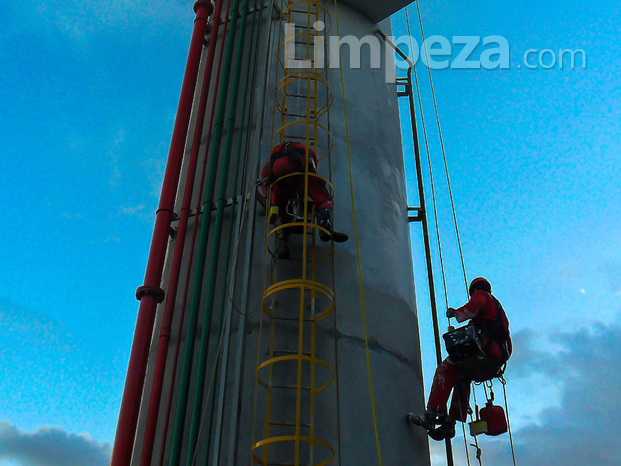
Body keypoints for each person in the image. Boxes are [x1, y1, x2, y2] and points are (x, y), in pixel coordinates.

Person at [407, 277, 512, 441]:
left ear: (475, 290)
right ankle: (450, 423)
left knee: (445, 368)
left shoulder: (482, 296)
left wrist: (456, 313)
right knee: (462, 377)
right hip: (497, 357)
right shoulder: (497, 309)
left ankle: (433, 412)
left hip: (488, 347)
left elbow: (472, 307)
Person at [260, 141, 348, 243]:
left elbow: (265, 172)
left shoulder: (275, 154)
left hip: (279, 171)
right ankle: (324, 227)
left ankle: (284, 239)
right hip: (299, 167)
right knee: (323, 198)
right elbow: (312, 168)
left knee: (277, 200)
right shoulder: (305, 150)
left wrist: (266, 194)